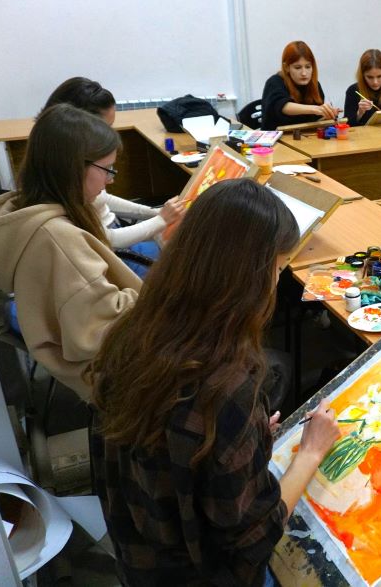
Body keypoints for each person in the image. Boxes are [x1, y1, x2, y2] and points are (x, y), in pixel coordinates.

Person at [85, 178, 341, 586]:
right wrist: (311, 452)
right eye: (277, 269)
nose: (276, 283)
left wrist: (243, 444)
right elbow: (253, 540)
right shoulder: (225, 388)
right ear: (246, 277)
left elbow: (171, 451)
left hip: (139, 559)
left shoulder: (130, 334)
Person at [0, 104, 141, 399]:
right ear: (74, 169)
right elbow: (107, 331)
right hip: (110, 371)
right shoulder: (58, 240)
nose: (110, 180)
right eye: (107, 169)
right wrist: (164, 291)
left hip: (80, 356)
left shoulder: (26, 210)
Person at [42, 77, 183, 264]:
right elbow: (105, 240)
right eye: (105, 127)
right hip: (114, 254)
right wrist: (160, 220)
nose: (110, 180)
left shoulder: (78, 171)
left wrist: (155, 213)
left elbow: (103, 199)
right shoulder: (66, 184)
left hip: (118, 240)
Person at [262, 41, 339, 130]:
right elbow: (282, 106)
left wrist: (327, 116)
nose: (304, 73)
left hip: (306, 136)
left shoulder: (315, 85)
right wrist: (316, 109)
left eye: (308, 67)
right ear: (286, 67)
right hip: (278, 137)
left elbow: (313, 122)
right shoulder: (274, 82)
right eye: (298, 68)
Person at [343, 49, 381, 126]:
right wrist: (359, 113)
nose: (375, 82)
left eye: (379, 76)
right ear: (362, 75)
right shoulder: (353, 91)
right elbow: (347, 125)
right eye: (370, 77)